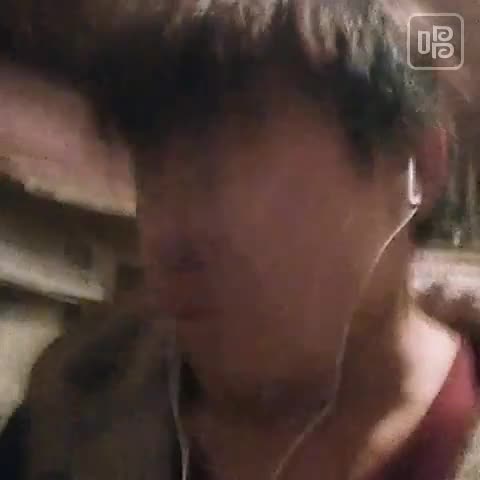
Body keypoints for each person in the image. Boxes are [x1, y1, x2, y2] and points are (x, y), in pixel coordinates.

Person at [0, 0, 476, 479]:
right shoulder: (63, 420)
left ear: (417, 168)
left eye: (232, 171)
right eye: (151, 174)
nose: (167, 243)